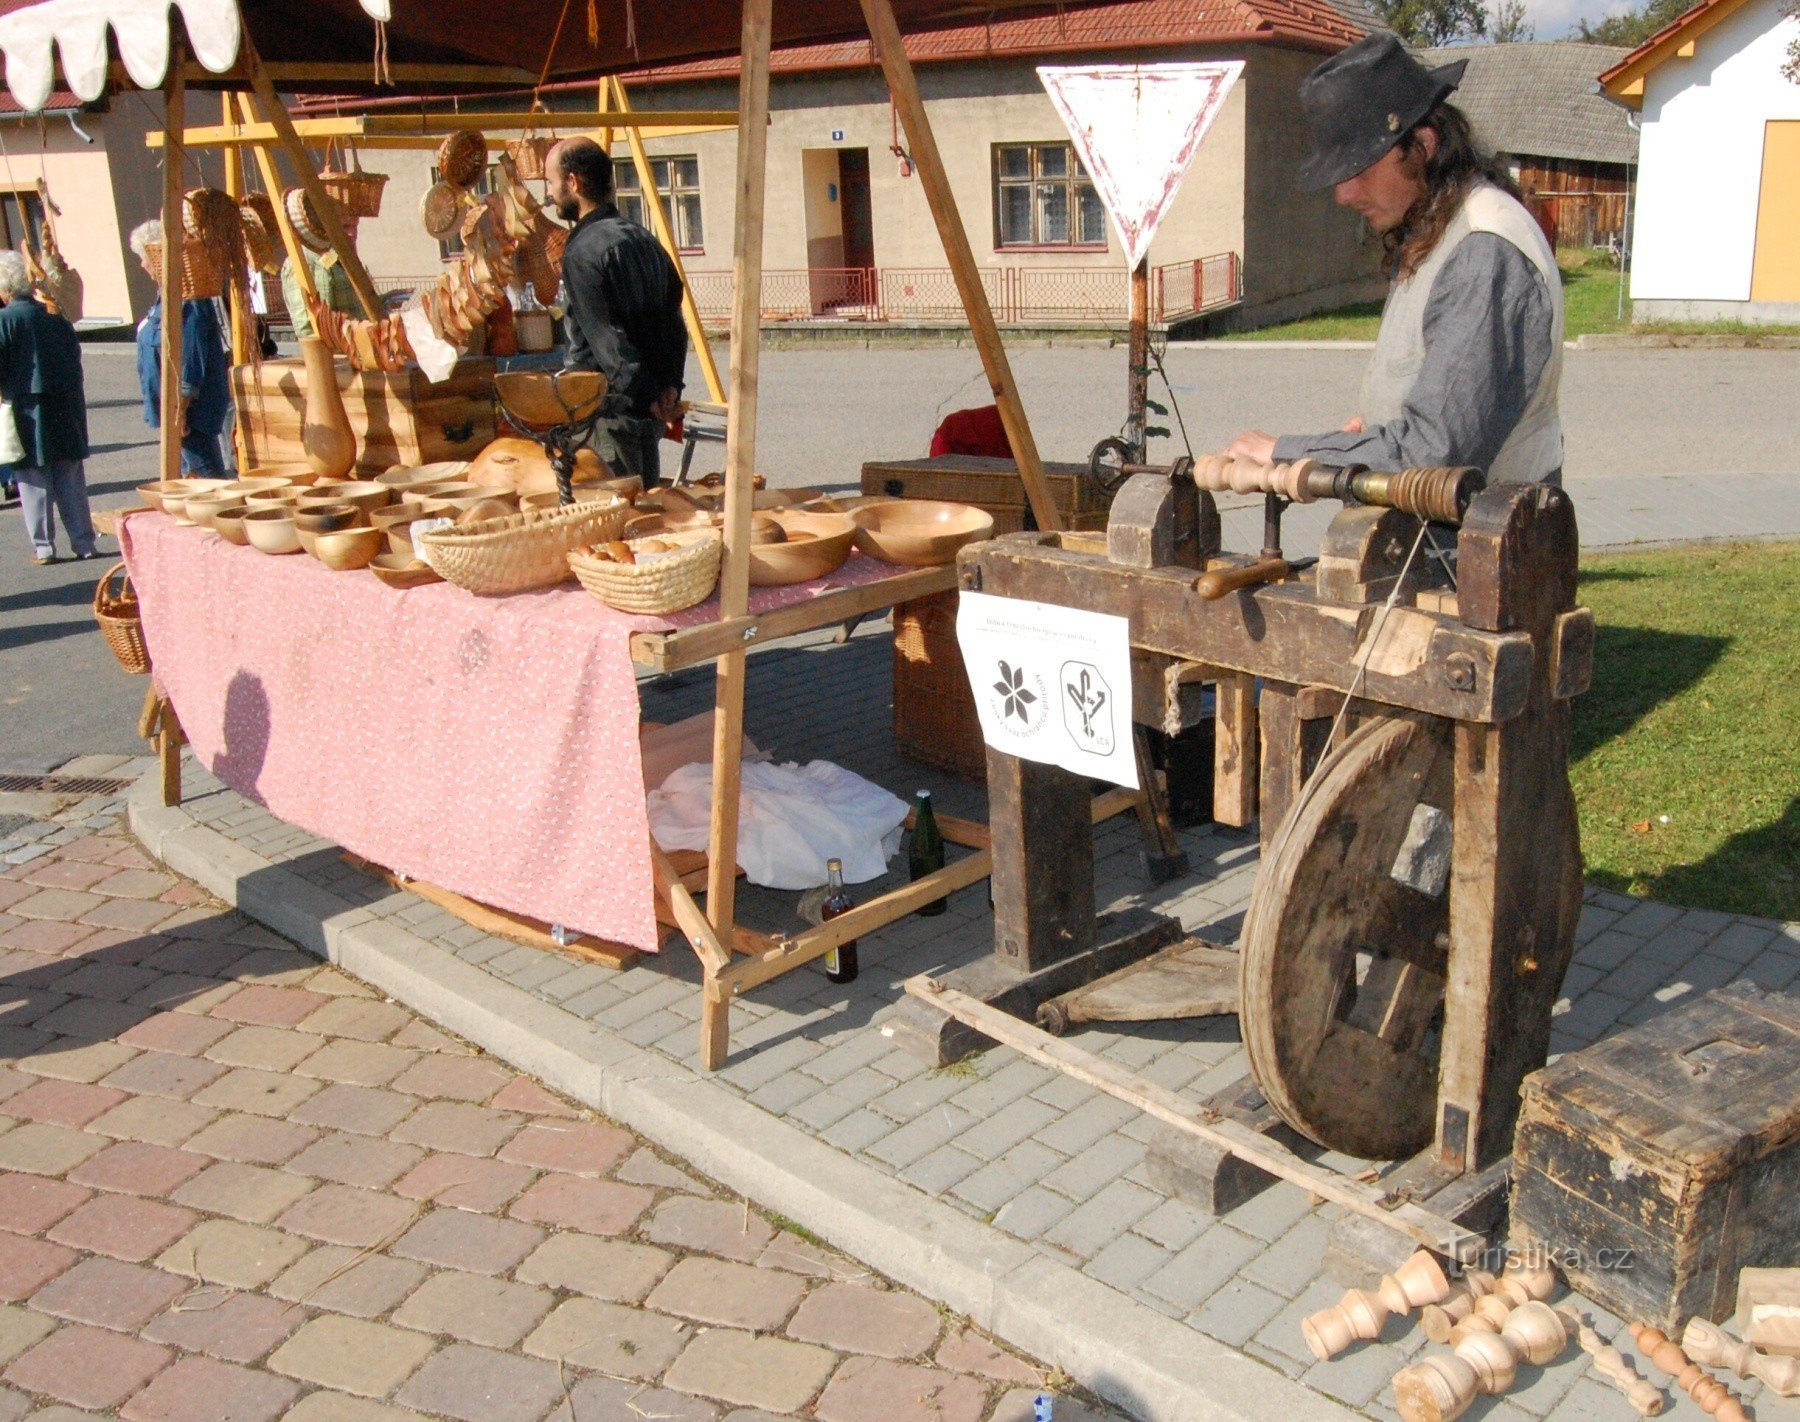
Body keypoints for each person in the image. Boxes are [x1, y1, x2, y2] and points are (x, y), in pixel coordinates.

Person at [1228, 34, 1564, 485]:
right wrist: (1363, 443)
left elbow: (1432, 453)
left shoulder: (1482, 253)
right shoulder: (1434, 228)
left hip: (1482, 541)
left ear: (1422, 145)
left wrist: (1286, 452)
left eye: (1359, 168)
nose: (1343, 194)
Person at [544, 136, 687, 487]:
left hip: (608, 417)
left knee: (617, 521)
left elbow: (610, 344)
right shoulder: (645, 239)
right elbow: (674, 327)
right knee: (650, 514)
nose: (549, 195)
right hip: (646, 411)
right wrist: (667, 387)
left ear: (573, 183)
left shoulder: (581, 253)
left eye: (550, 182)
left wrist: (651, 394)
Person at [0, 249, 94, 565]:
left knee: (32, 478)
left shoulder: (6, 320)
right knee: (69, 473)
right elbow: (74, 358)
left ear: (6, 289)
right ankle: (84, 542)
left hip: (26, 406)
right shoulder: (55, 313)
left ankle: (44, 547)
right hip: (65, 402)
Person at [129, 220, 232, 477]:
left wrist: (181, 408)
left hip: (191, 418)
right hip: (174, 413)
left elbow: (191, 360)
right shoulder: (165, 298)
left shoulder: (190, 303)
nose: (142, 265)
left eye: (143, 257)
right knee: (188, 481)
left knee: (203, 481)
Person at [278, 188, 358, 341]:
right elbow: (306, 328)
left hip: (358, 350)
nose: (352, 233)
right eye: (345, 227)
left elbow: (355, 306)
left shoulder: (339, 257)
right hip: (334, 355)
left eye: (355, 226)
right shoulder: (298, 263)